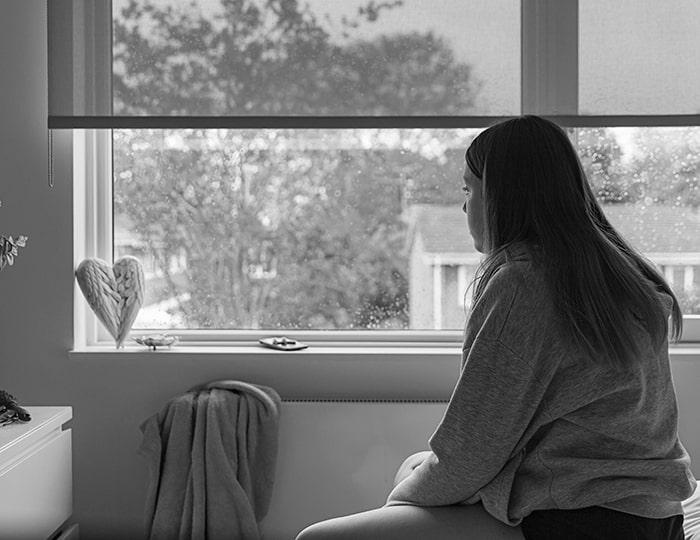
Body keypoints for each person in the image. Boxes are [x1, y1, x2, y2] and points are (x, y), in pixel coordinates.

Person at [295, 115, 697, 540]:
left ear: (505, 195)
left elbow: (468, 456)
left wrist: (396, 510)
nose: (465, 206)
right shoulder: (621, 276)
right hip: (654, 515)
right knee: (414, 467)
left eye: (469, 188)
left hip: (579, 520)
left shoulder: (523, 283)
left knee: (317, 538)